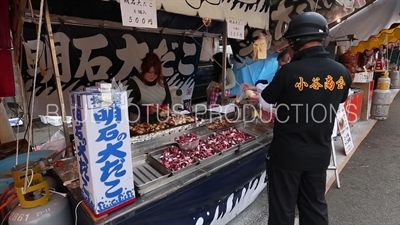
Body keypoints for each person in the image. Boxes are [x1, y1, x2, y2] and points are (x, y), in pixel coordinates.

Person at [261, 12, 352, 225]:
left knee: (282, 211)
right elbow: (337, 101)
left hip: (286, 156)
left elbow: (267, 98)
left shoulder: (289, 72)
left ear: (296, 41)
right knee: (314, 208)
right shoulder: (341, 73)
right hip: (318, 154)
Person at [127, 52, 172, 123]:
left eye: (156, 73)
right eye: (150, 72)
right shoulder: (133, 83)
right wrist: (147, 109)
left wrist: (165, 106)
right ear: (144, 69)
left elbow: (168, 98)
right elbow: (130, 105)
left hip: (160, 121)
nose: (153, 75)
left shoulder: (162, 80)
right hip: (140, 122)